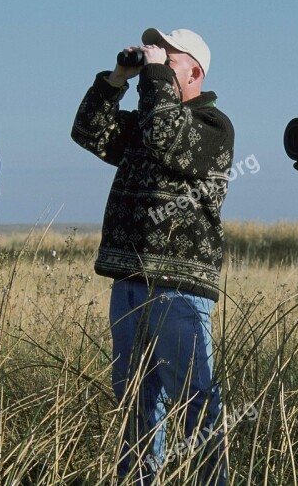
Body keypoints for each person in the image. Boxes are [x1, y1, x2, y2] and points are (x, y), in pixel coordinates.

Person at [71, 28, 234, 484]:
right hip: (128, 279)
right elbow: (88, 131)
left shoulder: (213, 126)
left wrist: (155, 74)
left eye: (170, 56)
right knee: (135, 400)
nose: (156, 59)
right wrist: (118, 78)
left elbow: (166, 134)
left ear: (195, 72)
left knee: (192, 396)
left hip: (176, 287)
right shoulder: (149, 117)